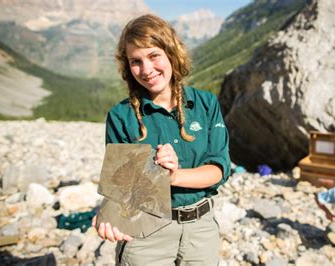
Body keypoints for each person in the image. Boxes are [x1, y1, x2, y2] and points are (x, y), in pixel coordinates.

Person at [92, 14, 231, 265]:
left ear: (171, 53)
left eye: (153, 55)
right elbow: (123, 189)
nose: (146, 70)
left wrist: (174, 176)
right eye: (135, 61)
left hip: (202, 230)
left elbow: (218, 169)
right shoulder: (121, 116)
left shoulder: (206, 104)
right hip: (146, 231)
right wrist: (110, 214)